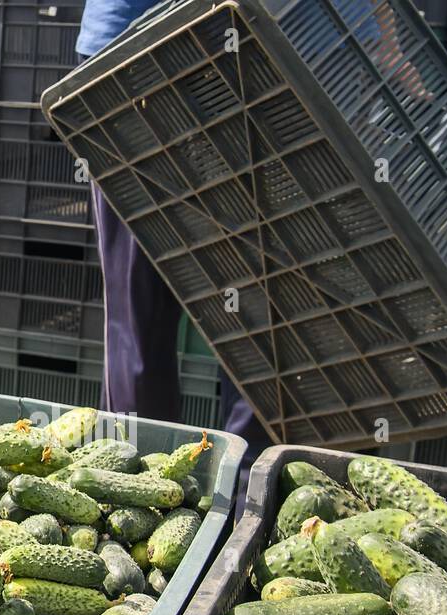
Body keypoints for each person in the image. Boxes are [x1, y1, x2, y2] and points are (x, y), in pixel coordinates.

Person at [75, 1, 270, 496]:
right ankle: (140, 492)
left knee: (267, 315)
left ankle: (243, 501)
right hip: (139, 59)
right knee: (142, 317)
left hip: (269, 57)